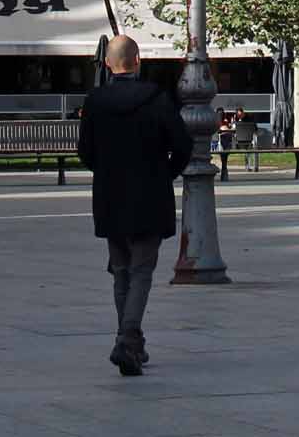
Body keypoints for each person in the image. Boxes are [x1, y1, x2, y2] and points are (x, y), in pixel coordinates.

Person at [76, 34, 191, 377]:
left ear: (108, 64)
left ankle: (130, 340)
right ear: (138, 60)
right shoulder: (157, 98)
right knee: (142, 271)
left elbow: (85, 151)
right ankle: (128, 339)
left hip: (111, 197)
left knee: (121, 271)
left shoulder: (96, 100)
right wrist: (165, 173)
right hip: (149, 196)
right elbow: (182, 144)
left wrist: (108, 171)